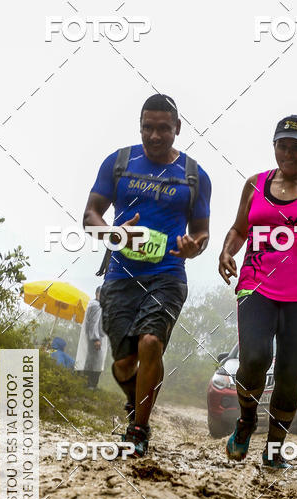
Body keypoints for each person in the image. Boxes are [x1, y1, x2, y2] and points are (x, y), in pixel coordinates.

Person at [83, 93, 211, 457]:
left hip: (168, 274)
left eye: (163, 129)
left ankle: (139, 429)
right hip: (120, 275)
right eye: (148, 128)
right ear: (140, 127)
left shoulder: (194, 175)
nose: (155, 136)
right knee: (124, 364)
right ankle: (136, 403)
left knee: (150, 343)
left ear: (178, 129)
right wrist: (112, 233)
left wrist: (194, 245)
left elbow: (202, 231)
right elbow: (90, 213)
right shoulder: (119, 163)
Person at [218, 114, 297, 469]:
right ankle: (246, 420)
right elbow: (239, 228)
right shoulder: (254, 184)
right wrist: (227, 251)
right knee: (255, 357)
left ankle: (274, 451)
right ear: (274, 146)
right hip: (255, 284)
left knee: (291, 374)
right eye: (282, 145)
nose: (289, 153)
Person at [75, 286, 108, 388]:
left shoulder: (93, 304)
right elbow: (93, 323)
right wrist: (96, 339)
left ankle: (86, 385)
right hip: (95, 340)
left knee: (90, 361)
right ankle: (90, 386)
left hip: (94, 338)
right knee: (94, 363)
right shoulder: (96, 306)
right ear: (97, 294)